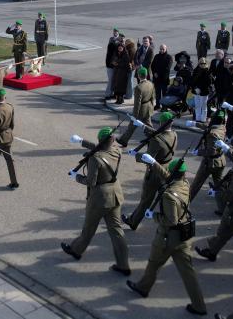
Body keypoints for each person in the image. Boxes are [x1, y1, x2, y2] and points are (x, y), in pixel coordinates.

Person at [126, 157, 208, 316]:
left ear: (173, 173)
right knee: (188, 273)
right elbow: (169, 176)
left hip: (167, 238)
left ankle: (143, 287)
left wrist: (154, 216)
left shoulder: (169, 195)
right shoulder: (185, 184)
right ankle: (199, 305)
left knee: (153, 263)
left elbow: (171, 220)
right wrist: (154, 163)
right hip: (184, 237)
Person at [61, 127, 131, 275]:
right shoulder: (117, 151)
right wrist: (81, 141)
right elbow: (101, 147)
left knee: (89, 229)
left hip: (99, 198)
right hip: (115, 194)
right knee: (117, 232)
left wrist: (77, 177)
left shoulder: (95, 158)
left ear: (100, 140)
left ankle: (76, 250)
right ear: (112, 141)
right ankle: (123, 264)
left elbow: (90, 182)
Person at [122, 111, 177, 230]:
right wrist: (142, 125)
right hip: (167, 169)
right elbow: (160, 136)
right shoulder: (174, 134)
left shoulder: (156, 140)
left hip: (155, 173)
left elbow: (148, 158)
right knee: (164, 199)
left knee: (146, 199)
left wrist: (136, 155)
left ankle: (133, 221)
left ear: (161, 122)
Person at [118, 67, 155, 146]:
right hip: (148, 107)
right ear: (146, 75)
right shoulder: (150, 84)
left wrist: (134, 116)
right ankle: (153, 139)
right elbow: (153, 98)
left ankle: (123, 140)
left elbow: (137, 104)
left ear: (139, 76)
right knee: (148, 126)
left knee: (132, 125)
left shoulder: (138, 87)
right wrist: (151, 108)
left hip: (141, 110)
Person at [191, 58, 212, 123]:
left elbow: (208, 82)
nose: (202, 64)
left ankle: (203, 119)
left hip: (204, 91)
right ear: (199, 63)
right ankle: (198, 118)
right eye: (201, 63)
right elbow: (192, 81)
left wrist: (200, 88)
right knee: (197, 105)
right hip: (196, 90)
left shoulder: (207, 71)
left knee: (204, 106)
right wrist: (195, 88)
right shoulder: (195, 70)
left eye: (204, 63)